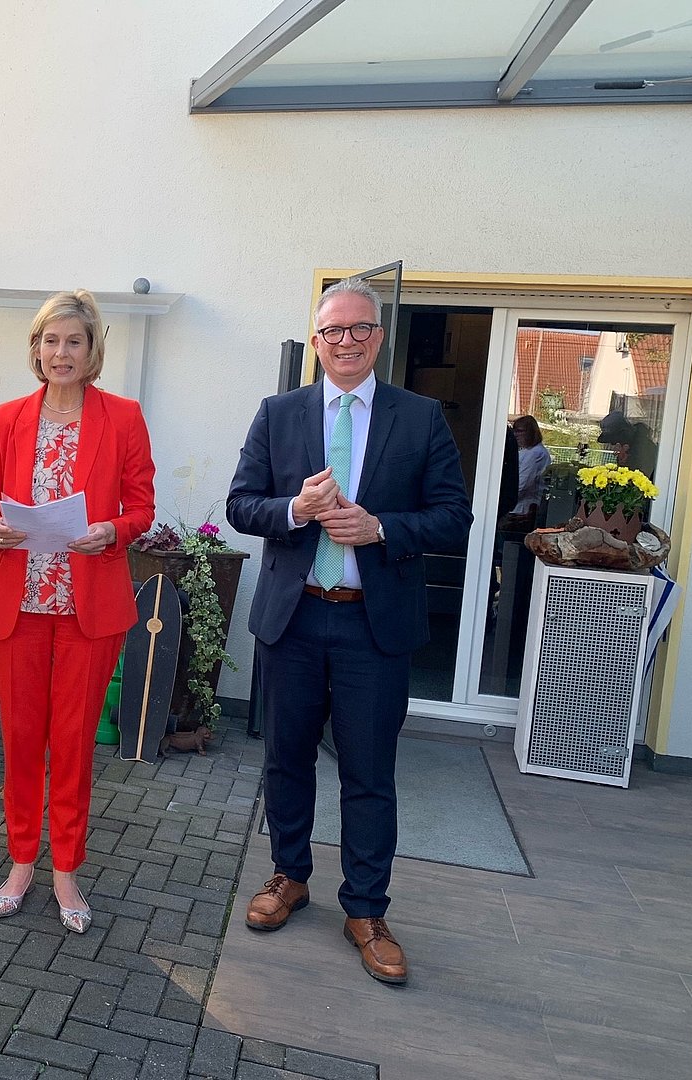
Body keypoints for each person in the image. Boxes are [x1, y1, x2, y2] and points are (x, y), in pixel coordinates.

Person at [226, 278, 471, 985]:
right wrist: (295, 511)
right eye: (333, 330)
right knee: (286, 759)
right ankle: (289, 875)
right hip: (295, 616)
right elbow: (241, 505)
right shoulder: (279, 413)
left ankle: (365, 909)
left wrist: (380, 527)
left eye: (361, 328)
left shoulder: (419, 418)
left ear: (379, 336)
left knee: (369, 772)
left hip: (373, 624)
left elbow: (453, 517)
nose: (347, 341)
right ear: (317, 340)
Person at [0, 289, 155, 933]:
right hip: (18, 607)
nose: (61, 352)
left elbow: (141, 507)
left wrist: (112, 531)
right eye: (51, 341)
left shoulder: (123, 417)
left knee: (73, 746)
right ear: (37, 348)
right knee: (21, 741)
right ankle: (21, 862)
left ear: (92, 349)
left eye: (74, 341)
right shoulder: (8, 418)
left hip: (87, 610)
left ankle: (66, 870)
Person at [503, 415, 551, 529]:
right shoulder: (529, 451)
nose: (515, 435)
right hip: (517, 508)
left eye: (519, 431)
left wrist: (502, 500)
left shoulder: (535, 453)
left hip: (521, 511)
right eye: (514, 431)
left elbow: (522, 484)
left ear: (530, 432)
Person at [597, 410, 659, 478]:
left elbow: (640, 476)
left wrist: (626, 461)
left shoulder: (643, 449)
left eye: (614, 442)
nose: (613, 445)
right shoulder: (632, 444)